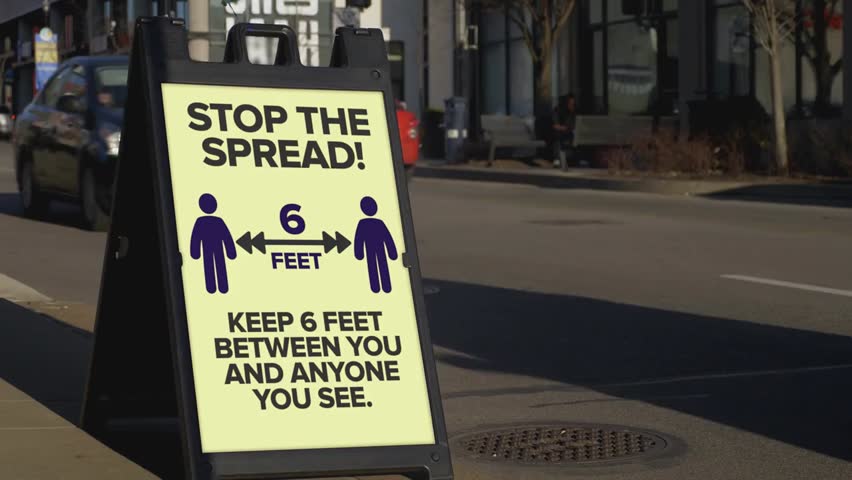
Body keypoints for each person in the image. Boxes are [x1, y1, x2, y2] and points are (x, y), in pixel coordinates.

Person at [190, 193, 237, 294]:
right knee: (216, 265)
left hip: (210, 247)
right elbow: (227, 237)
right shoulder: (215, 221)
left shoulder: (202, 221)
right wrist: (231, 252)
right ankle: (219, 287)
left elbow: (196, 238)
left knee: (211, 265)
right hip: (212, 247)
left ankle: (216, 287)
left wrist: (195, 253)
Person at [354, 196, 398, 294]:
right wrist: (392, 253)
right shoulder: (375, 223)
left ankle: (379, 287)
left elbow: (359, 239)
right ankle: (381, 287)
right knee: (379, 265)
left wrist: (359, 253)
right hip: (375, 248)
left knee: (374, 265)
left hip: (372, 248)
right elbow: (388, 238)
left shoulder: (365, 223)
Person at [552, 93, 577, 168]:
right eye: (570, 104)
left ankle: (575, 158)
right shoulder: (558, 110)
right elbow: (555, 126)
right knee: (558, 136)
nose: (572, 106)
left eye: (573, 104)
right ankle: (557, 159)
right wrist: (565, 128)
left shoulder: (573, 112)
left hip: (570, 132)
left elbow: (575, 123)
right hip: (561, 132)